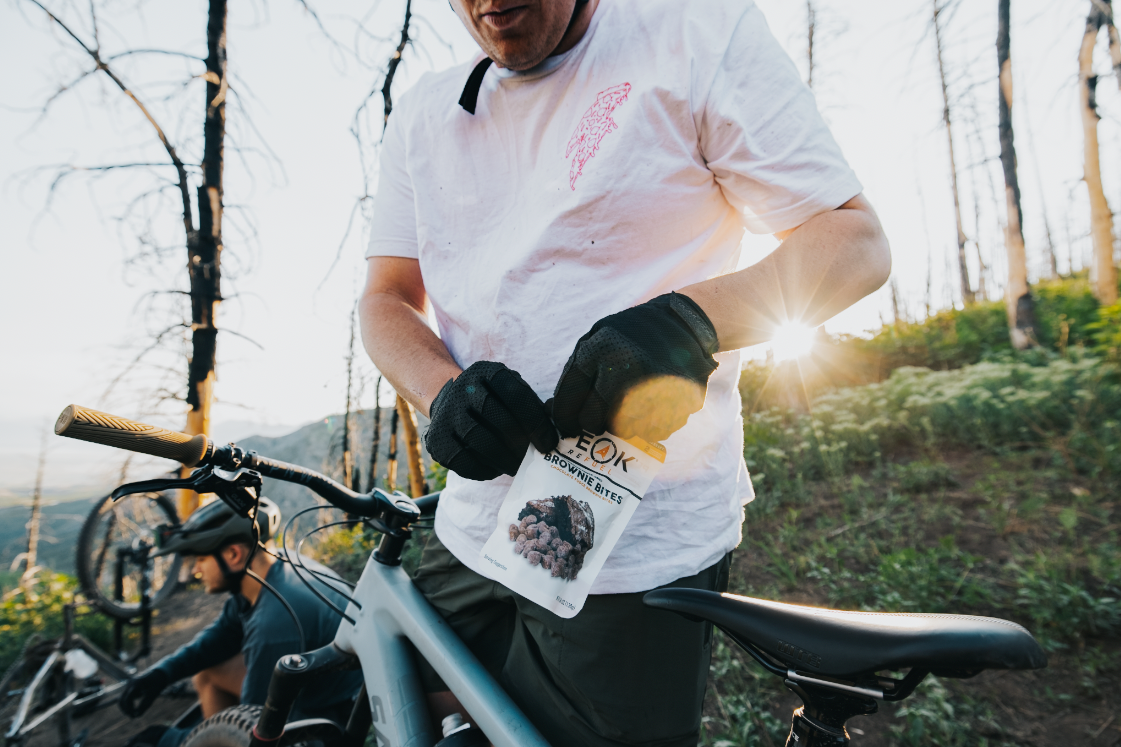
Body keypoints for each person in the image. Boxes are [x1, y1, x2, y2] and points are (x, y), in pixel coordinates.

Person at [359, 0, 891, 744]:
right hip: (469, 526)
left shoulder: (697, 35)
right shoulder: (423, 112)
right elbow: (385, 298)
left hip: (631, 550)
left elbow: (855, 240)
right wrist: (440, 390)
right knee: (388, 710)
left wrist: (689, 322)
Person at [118, 498, 362, 747]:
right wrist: (161, 674)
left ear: (233, 554)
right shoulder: (271, 574)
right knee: (208, 673)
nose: (195, 572)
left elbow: (255, 723)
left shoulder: (274, 624)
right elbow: (222, 636)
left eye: (200, 560)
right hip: (325, 693)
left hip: (328, 727)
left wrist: (169, 740)